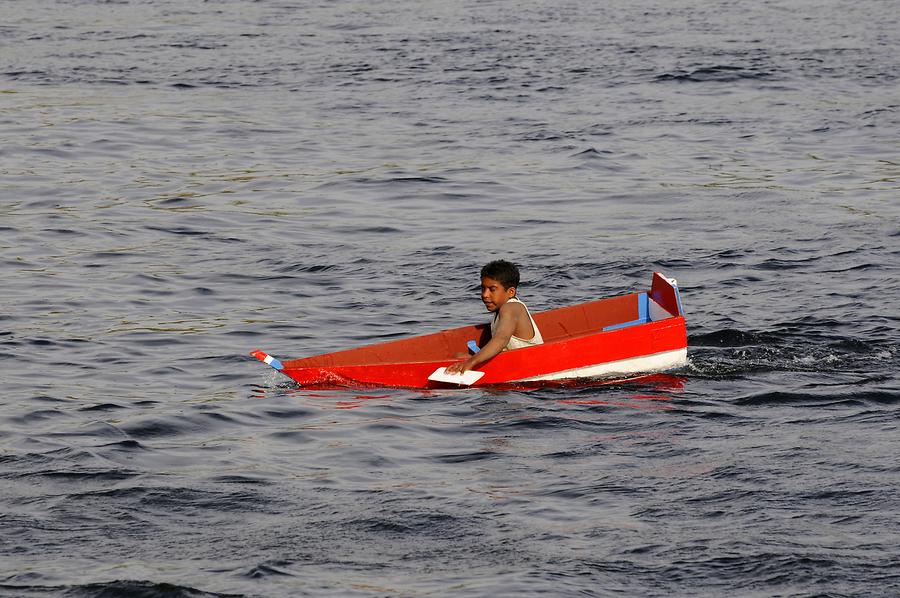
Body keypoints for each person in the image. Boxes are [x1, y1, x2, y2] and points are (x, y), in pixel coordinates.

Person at [445, 260, 543, 374]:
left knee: (463, 358)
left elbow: (501, 338)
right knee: (460, 356)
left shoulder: (511, 308)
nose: (485, 295)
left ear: (511, 292)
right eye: (483, 288)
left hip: (531, 363)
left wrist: (471, 362)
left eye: (492, 289)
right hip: (513, 361)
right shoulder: (502, 309)